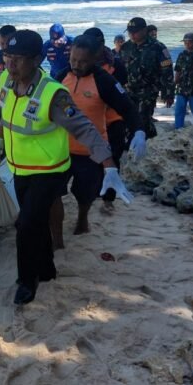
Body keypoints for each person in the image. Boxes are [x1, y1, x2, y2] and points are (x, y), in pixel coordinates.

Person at [0, 29, 133, 305]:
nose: (10, 64)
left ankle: (26, 281)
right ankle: (47, 269)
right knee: (36, 221)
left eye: (18, 58)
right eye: (7, 56)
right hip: (19, 169)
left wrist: (109, 165)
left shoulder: (53, 94)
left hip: (49, 171)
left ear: (37, 60)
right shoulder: (6, 79)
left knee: (25, 225)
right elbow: (1, 107)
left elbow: (84, 129)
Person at [52, 35, 144, 246]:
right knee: (54, 193)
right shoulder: (61, 76)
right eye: (73, 60)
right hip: (60, 149)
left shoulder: (104, 81)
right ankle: (57, 238)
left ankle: (82, 217)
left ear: (94, 58)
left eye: (82, 61)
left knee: (84, 194)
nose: (76, 65)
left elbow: (128, 108)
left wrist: (139, 131)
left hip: (91, 151)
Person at [82, 27, 130, 214]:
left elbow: (122, 95)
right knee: (93, 159)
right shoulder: (79, 66)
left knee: (113, 158)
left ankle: (108, 199)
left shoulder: (116, 65)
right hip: (92, 122)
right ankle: (95, 191)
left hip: (113, 120)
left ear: (101, 44)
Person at [120, 17, 175, 139]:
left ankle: (146, 142)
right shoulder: (125, 47)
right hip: (129, 90)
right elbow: (120, 69)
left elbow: (167, 70)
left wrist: (168, 93)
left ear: (144, 30)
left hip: (148, 91)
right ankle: (149, 137)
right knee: (129, 119)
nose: (132, 35)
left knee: (143, 119)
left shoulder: (158, 47)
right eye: (130, 32)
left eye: (135, 32)